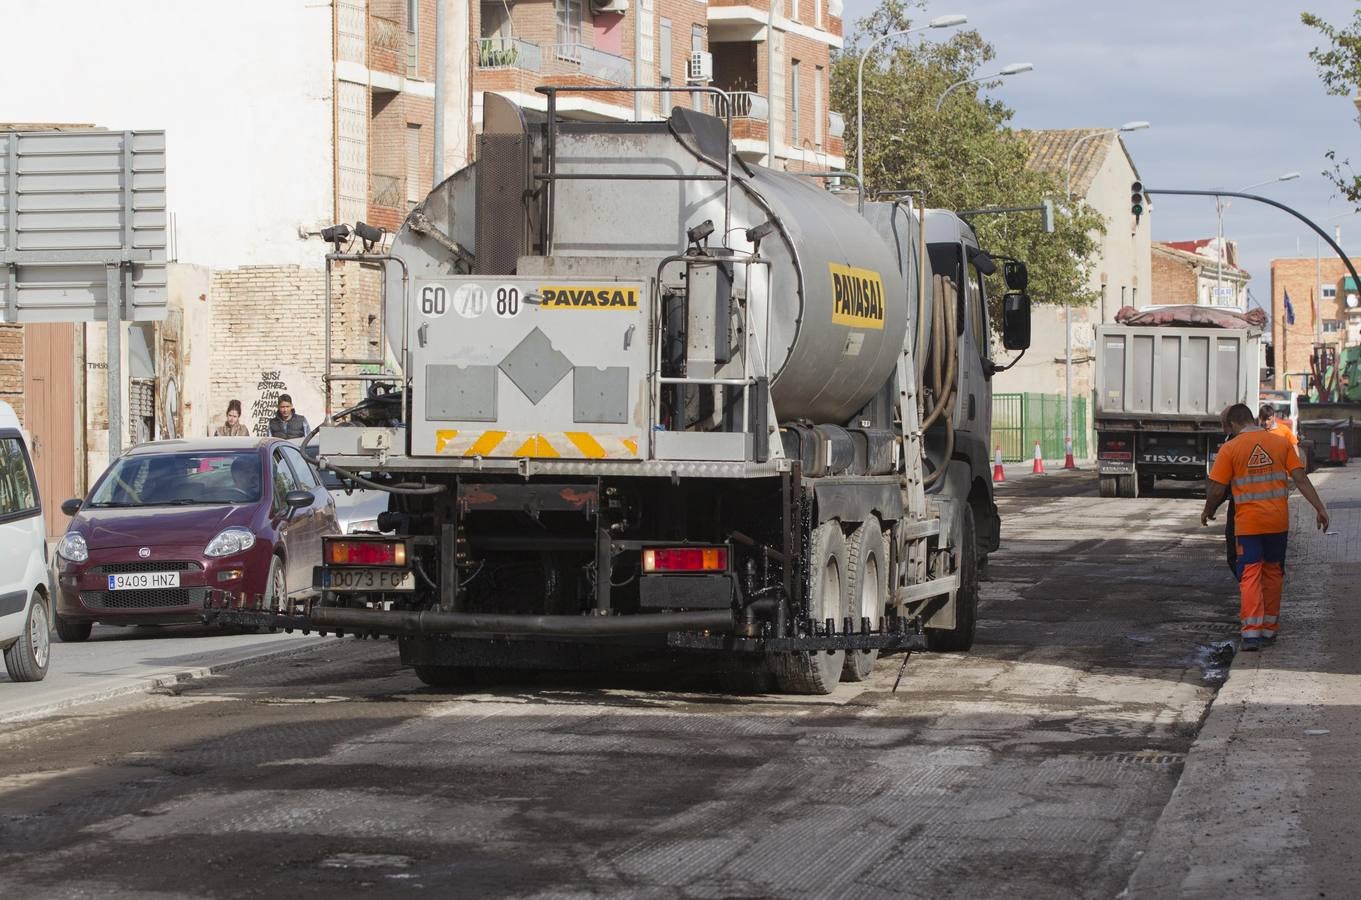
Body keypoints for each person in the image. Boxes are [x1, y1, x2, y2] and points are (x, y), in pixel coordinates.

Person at [1201, 403, 1330, 651]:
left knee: (1249, 574)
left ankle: (1251, 634)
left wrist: (1209, 509)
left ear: (1233, 424)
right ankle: (1269, 630)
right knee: (1273, 573)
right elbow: (1300, 478)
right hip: (1277, 523)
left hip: (1248, 525)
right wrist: (1320, 508)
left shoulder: (1230, 448)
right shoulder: (1280, 443)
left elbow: (1217, 488)